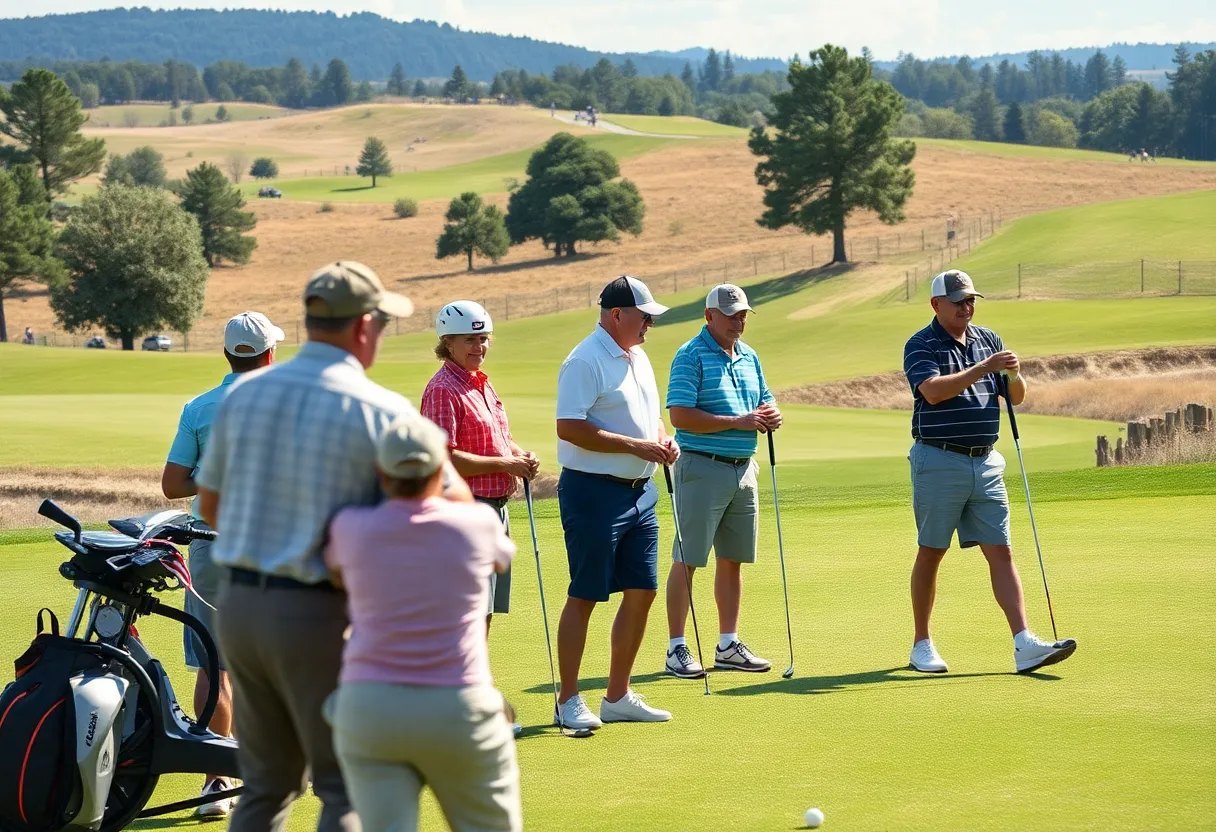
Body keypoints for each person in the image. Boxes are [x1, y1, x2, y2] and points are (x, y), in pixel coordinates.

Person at [195, 260, 472, 832]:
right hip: (318, 613)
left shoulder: (244, 396)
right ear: (364, 326)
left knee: (266, 787)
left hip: (241, 610)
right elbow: (456, 508)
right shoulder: (381, 411)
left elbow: (212, 507)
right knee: (347, 787)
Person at [323, 414, 522, 832]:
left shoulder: (350, 528)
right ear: (440, 468)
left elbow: (338, 575)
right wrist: (447, 477)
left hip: (370, 708)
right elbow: (501, 557)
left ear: (380, 471)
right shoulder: (478, 523)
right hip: (459, 707)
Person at [902, 269, 1076, 675]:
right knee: (932, 550)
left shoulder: (988, 339)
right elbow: (933, 391)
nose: (968, 307)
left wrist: (1014, 374)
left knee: (1001, 549)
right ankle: (921, 644)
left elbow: (1014, 396)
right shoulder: (920, 344)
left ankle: (1024, 643)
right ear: (936, 305)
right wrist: (985, 367)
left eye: (972, 300)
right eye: (960, 300)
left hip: (987, 461)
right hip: (939, 459)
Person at [161, 310, 284, 817]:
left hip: (212, 543)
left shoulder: (200, 406)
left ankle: (217, 784)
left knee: (217, 665)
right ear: (270, 355)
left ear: (230, 354)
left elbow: (173, 484)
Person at [553, 275, 680, 731]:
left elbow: (652, 420)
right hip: (592, 492)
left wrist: (664, 441)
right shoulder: (584, 360)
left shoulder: (639, 356)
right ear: (616, 315)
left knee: (642, 590)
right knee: (586, 595)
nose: (649, 324)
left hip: (640, 493)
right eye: (644, 316)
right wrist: (636, 447)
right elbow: (569, 427)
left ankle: (617, 695)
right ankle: (568, 699)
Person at [421, 300, 539, 735]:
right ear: (447, 342)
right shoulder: (442, 389)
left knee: (481, 615)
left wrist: (519, 455)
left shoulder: (481, 385)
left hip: (493, 513)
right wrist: (505, 465)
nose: (479, 345)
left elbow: (496, 443)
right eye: (470, 339)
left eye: (484, 337)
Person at [663, 284, 782, 679]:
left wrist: (771, 415)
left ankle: (728, 644)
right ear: (709, 315)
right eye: (730, 314)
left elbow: (765, 400)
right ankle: (677, 647)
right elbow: (679, 415)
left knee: (732, 559)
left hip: (743, 467)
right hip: (701, 465)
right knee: (689, 559)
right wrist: (737, 421)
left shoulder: (750, 356)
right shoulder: (690, 355)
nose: (739, 320)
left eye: (743, 313)